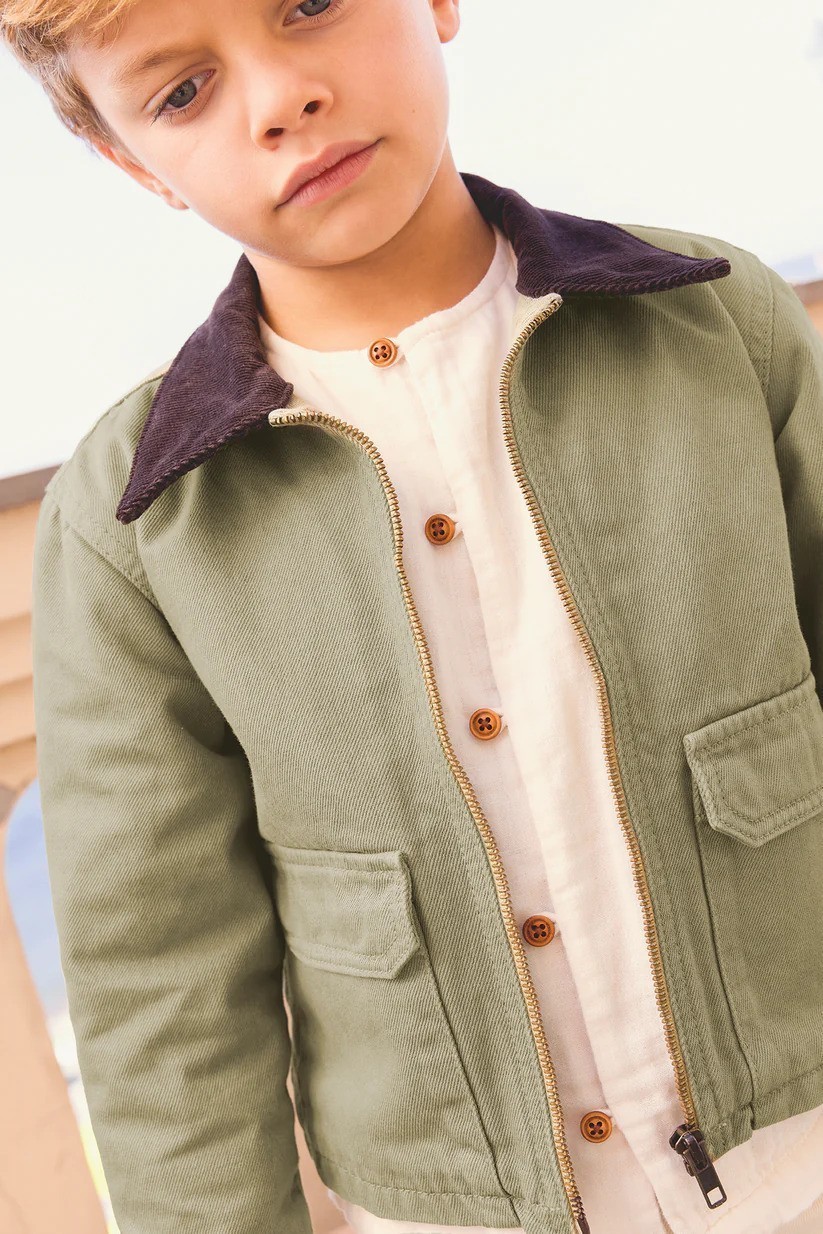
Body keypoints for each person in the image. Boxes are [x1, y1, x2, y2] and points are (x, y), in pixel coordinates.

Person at [7, 0, 823, 1231]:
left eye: (309, 4)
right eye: (182, 92)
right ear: (132, 162)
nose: (280, 100)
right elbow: (160, 987)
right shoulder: (132, 522)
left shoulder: (720, 325)